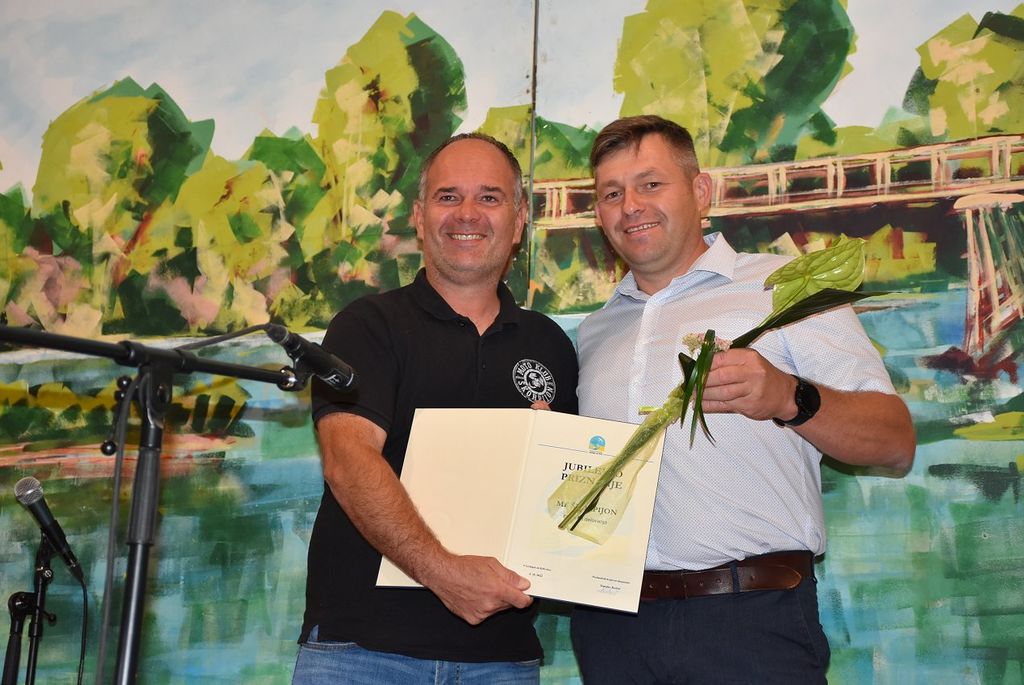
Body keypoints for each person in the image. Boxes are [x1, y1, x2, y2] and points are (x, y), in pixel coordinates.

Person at [570, 115, 916, 684]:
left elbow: (895, 443)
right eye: (611, 193)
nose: (630, 206)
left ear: (701, 191)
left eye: (651, 184)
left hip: (749, 621)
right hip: (611, 631)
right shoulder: (594, 331)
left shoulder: (785, 288)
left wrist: (789, 396)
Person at [293, 133, 579, 685]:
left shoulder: (550, 345)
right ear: (420, 217)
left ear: (519, 221)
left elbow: (568, 497)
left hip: (502, 660)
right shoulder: (366, 326)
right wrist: (443, 573)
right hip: (362, 653)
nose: (467, 213)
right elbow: (348, 462)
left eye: (489, 197)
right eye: (448, 197)